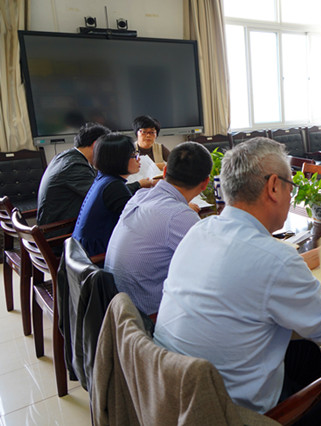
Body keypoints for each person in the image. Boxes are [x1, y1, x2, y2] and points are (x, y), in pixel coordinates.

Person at [154, 137, 321, 424]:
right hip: (232, 416)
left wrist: (316, 257)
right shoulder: (273, 259)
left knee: (306, 355)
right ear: (274, 186)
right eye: (290, 186)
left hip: (177, 397)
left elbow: (248, 272)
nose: (290, 196)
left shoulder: (201, 230)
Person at [105, 142, 212, 320]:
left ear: (165, 171)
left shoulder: (139, 196)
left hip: (117, 305)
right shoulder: (180, 216)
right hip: (145, 316)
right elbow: (210, 269)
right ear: (205, 183)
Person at [37, 123, 150, 236]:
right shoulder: (74, 166)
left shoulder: (68, 157)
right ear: (97, 145)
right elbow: (105, 194)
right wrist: (138, 184)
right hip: (59, 232)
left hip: (70, 225)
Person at [72, 134, 142, 256]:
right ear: (119, 159)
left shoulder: (104, 179)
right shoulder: (114, 186)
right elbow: (138, 223)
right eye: (134, 155)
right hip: (95, 258)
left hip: (81, 252)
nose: (138, 159)